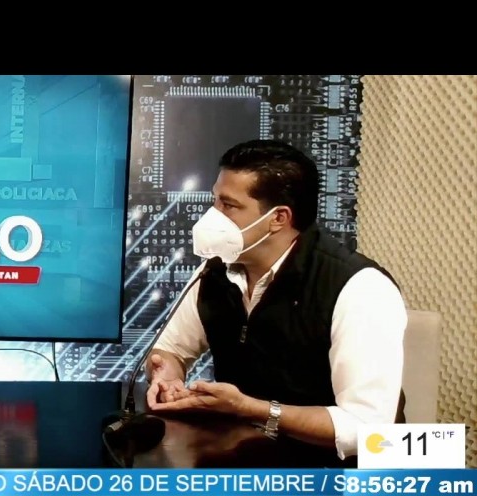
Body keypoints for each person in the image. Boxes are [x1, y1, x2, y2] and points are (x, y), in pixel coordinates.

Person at [145, 139, 407, 465]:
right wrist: (167, 376)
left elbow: (366, 428)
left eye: (228, 205)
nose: (213, 216)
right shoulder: (214, 271)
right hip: (249, 457)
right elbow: (170, 350)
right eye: (215, 200)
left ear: (278, 218)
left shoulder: (360, 288)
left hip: (343, 475)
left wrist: (252, 409)